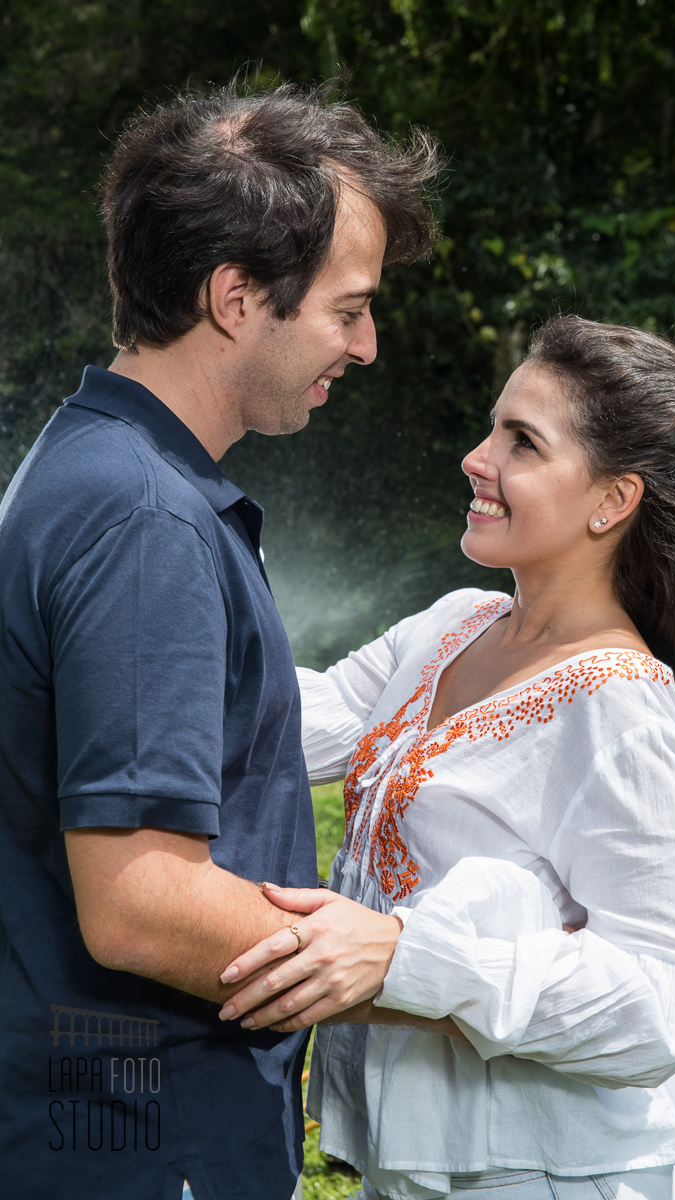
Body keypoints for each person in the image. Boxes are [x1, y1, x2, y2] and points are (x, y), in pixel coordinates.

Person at [219, 316, 675, 1200]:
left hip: (549, 1170)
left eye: (521, 441)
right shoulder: (451, 625)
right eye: (492, 427)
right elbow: (275, 723)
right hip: (428, 1166)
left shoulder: (619, 704)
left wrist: (404, 956)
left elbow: (656, 1009)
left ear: (612, 501)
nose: (475, 457)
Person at [0, 82, 441, 1200]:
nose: (368, 343)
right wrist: (408, 968)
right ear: (236, 297)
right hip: (145, 1139)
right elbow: (143, 901)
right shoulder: (143, 519)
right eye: (348, 309)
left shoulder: (92, 466)